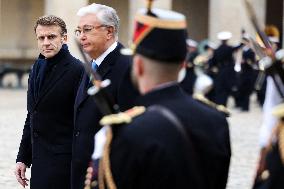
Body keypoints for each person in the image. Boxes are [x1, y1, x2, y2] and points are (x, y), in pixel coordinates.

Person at [87, 7, 231, 189]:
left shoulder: (128, 132)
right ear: (183, 65)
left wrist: (101, 157)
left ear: (137, 65)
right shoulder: (216, 119)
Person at [72, 3, 138, 189]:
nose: (81, 37)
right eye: (79, 31)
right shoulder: (90, 65)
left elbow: (129, 129)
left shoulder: (127, 67)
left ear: (109, 32)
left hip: (107, 173)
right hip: (83, 170)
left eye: (87, 29)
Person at [14, 15, 84, 189]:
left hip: (65, 166)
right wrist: (23, 158)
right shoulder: (36, 67)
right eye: (41, 38)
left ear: (64, 38)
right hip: (39, 163)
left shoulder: (78, 70)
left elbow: (82, 122)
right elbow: (32, 115)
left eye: (51, 37)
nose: (46, 42)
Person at [210, 31, 243, 106]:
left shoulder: (216, 50)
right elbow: (238, 46)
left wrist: (214, 69)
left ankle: (220, 105)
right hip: (228, 73)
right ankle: (224, 105)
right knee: (228, 90)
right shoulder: (229, 48)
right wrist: (242, 37)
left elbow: (212, 63)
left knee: (220, 91)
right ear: (227, 40)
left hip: (220, 72)